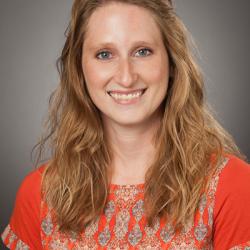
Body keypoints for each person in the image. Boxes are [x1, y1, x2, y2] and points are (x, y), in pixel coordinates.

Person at [1, 0, 250, 249]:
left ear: (172, 61)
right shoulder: (39, 195)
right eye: (105, 54)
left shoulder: (233, 187)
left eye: (142, 51)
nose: (126, 77)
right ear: (79, 69)